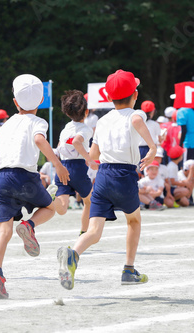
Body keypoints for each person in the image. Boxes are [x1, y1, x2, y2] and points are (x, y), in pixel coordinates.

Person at [57, 69, 156, 291]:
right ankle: (129, 269)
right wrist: (152, 147)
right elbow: (139, 120)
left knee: (94, 231)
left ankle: (73, 254)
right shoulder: (135, 115)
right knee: (134, 221)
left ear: (109, 98)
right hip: (124, 175)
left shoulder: (101, 121)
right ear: (135, 95)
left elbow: (93, 156)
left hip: (103, 177)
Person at [0, 74, 69, 299]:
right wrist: (57, 165)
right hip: (25, 177)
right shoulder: (38, 122)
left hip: (2, 179)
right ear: (41, 101)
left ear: (15, 102)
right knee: (49, 208)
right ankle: (29, 225)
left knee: (2, 230)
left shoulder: (4, 126)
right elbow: (38, 140)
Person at [53, 89, 98, 235]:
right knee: (89, 201)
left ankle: (49, 198)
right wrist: (89, 159)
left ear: (67, 113)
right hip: (77, 168)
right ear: (86, 112)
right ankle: (84, 232)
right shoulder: (86, 129)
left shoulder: (66, 127)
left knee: (63, 207)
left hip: (62, 166)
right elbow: (78, 141)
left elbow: (60, 147)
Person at [137, 100, 162, 173]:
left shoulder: (137, 123)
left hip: (140, 148)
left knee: (141, 170)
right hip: (152, 148)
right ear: (153, 111)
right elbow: (160, 139)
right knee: (152, 170)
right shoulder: (155, 124)